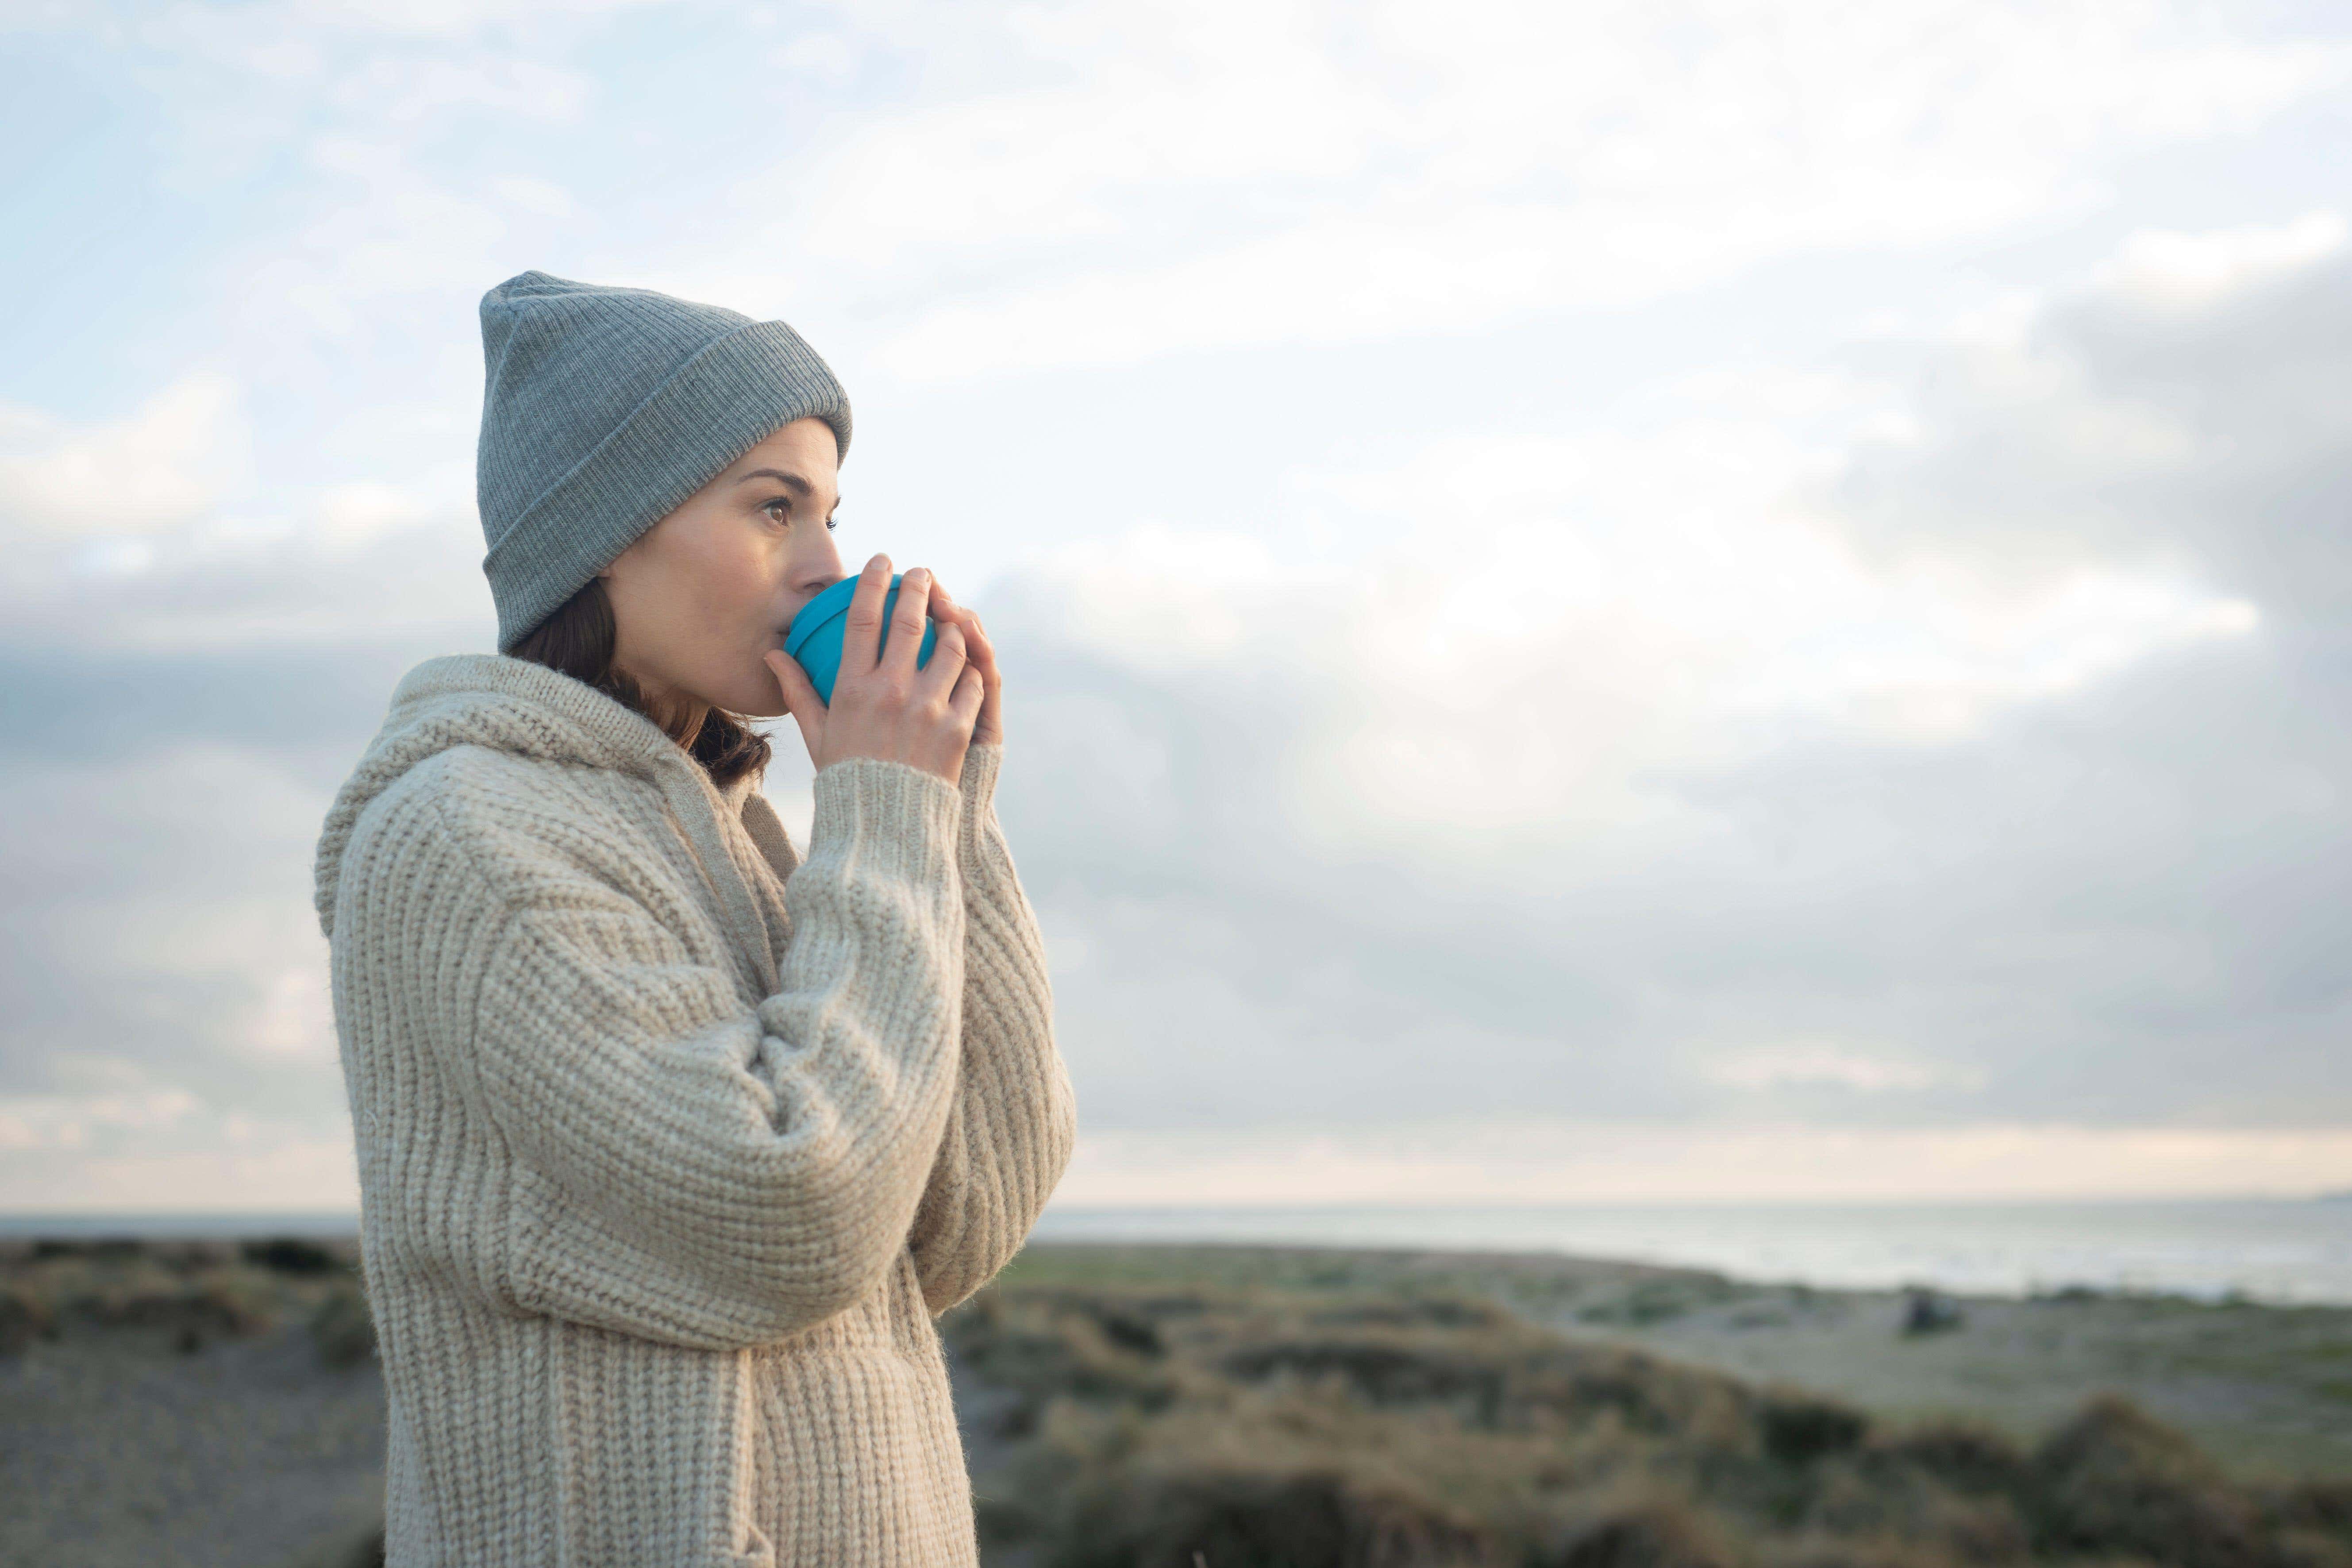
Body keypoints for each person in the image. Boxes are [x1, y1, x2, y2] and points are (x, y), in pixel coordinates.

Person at [311, 270, 1077, 1567]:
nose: (830, 566)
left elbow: (957, 1218)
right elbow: (792, 1218)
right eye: (774, 508)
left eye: (832, 514)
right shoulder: (462, 835)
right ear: (609, 526)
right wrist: (885, 811)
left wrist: (946, 808)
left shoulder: (747, 844)